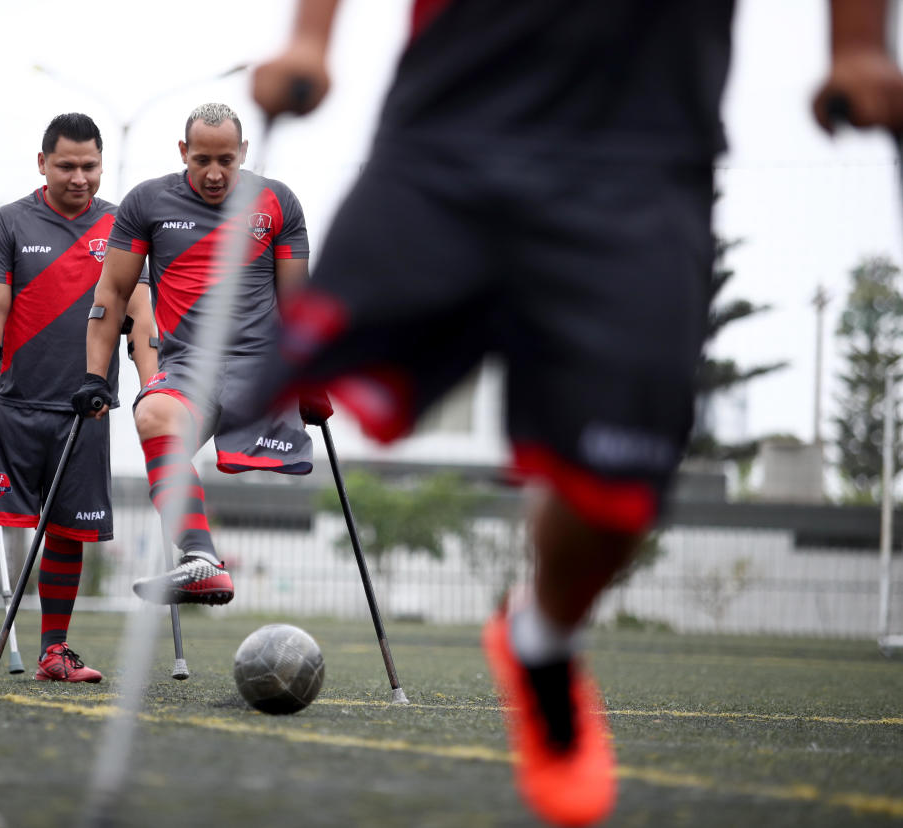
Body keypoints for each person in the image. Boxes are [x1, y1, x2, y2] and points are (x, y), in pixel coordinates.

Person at [251, 1, 903, 825]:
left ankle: (544, 640)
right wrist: (311, 39)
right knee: (299, 369)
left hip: (646, 142)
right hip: (458, 112)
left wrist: (859, 47)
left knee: (617, 500)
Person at [74, 102, 321, 607]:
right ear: (184, 152)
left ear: (244, 153)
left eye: (226, 160)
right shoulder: (147, 203)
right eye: (202, 159)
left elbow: (300, 306)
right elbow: (111, 296)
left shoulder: (278, 203)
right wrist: (95, 376)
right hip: (189, 365)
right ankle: (201, 560)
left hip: (261, 368)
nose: (214, 173)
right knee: (152, 412)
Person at [0, 113, 155, 684]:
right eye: (67, 165)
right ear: (42, 163)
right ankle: (21, 643)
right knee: (17, 527)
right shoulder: (10, 222)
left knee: (69, 530)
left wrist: (151, 379)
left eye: (90, 165)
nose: (79, 176)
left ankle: (54, 653)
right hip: (16, 406)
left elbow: (139, 313)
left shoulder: (121, 225)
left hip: (85, 407)